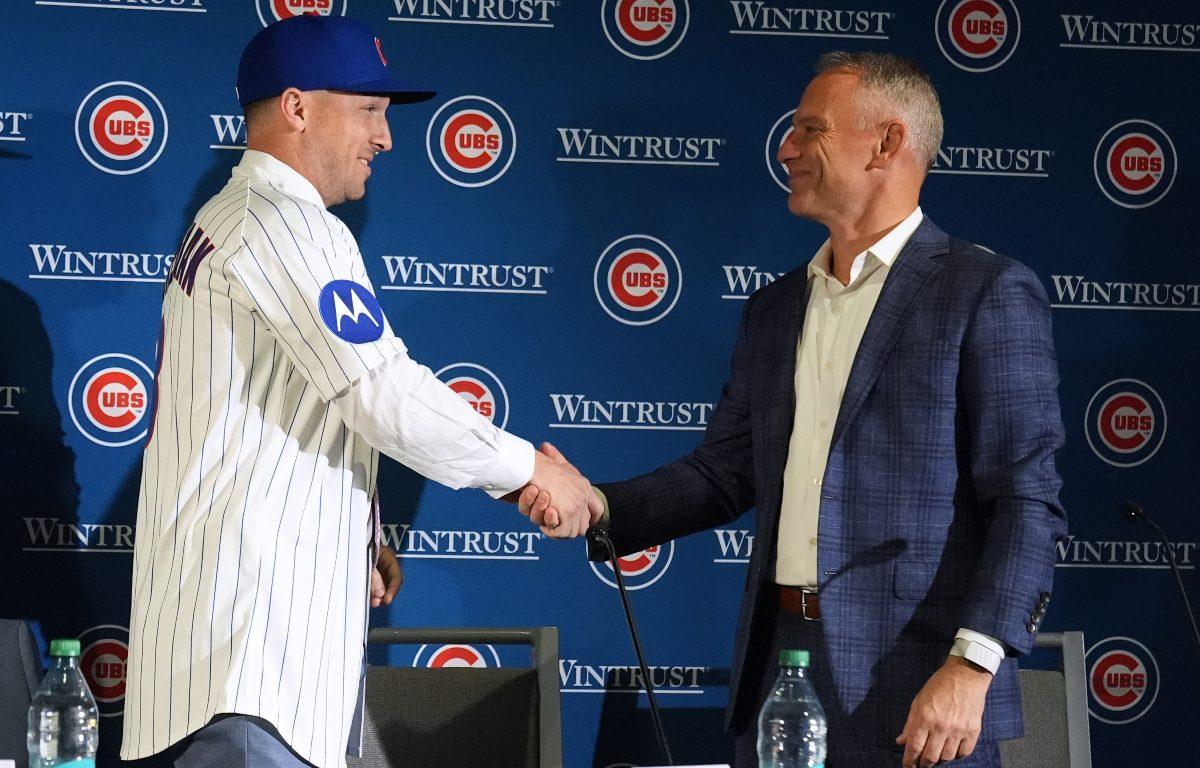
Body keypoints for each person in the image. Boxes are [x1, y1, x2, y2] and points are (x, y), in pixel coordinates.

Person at [522, 51, 1066, 768]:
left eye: (811, 130)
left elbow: (1026, 499)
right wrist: (599, 505)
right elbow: (727, 471)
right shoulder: (777, 307)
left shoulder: (983, 291)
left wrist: (972, 665)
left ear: (888, 143)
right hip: (780, 666)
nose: (786, 147)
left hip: (923, 684)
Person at [120, 15, 594, 768]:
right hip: (251, 673)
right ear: (298, 107)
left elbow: (282, 406)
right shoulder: (283, 222)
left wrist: (358, 535)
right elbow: (378, 391)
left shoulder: (239, 219)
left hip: (245, 668)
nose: (387, 137)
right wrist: (529, 470)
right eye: (369, 110)